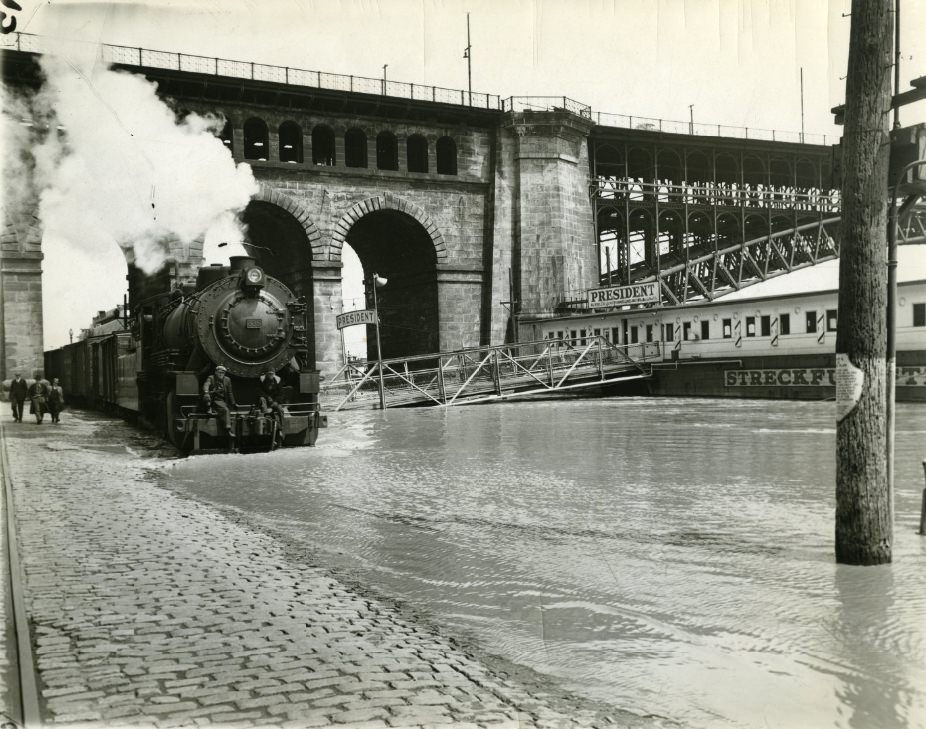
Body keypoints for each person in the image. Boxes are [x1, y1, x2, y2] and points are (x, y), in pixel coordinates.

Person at [203, 365, 236, 441]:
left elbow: (230, 392)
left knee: (224, 408)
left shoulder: (227, 380)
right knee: (226, 410)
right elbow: (206, 384)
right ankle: (228, 429)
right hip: (212, 398)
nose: (221, 374)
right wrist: (206, 392)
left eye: (223, 373)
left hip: (221, 400)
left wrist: (233, 403)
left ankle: (213, 409)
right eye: (219, 372)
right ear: (216, 372)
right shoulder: (211, 378)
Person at [257, 368, 285, 445]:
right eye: (269, 374)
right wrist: (267, 398)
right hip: (266, 401)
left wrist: (276, 402)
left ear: (274, 374)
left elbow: (281, 394)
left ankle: (281, 429)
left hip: (275, 401)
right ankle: (266, 418)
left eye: (272, 374)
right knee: (262, 399)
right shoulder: (262, 381)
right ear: (266, 374)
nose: (270, 375)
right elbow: (260, 391)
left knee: (280, 410)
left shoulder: (278, 381)